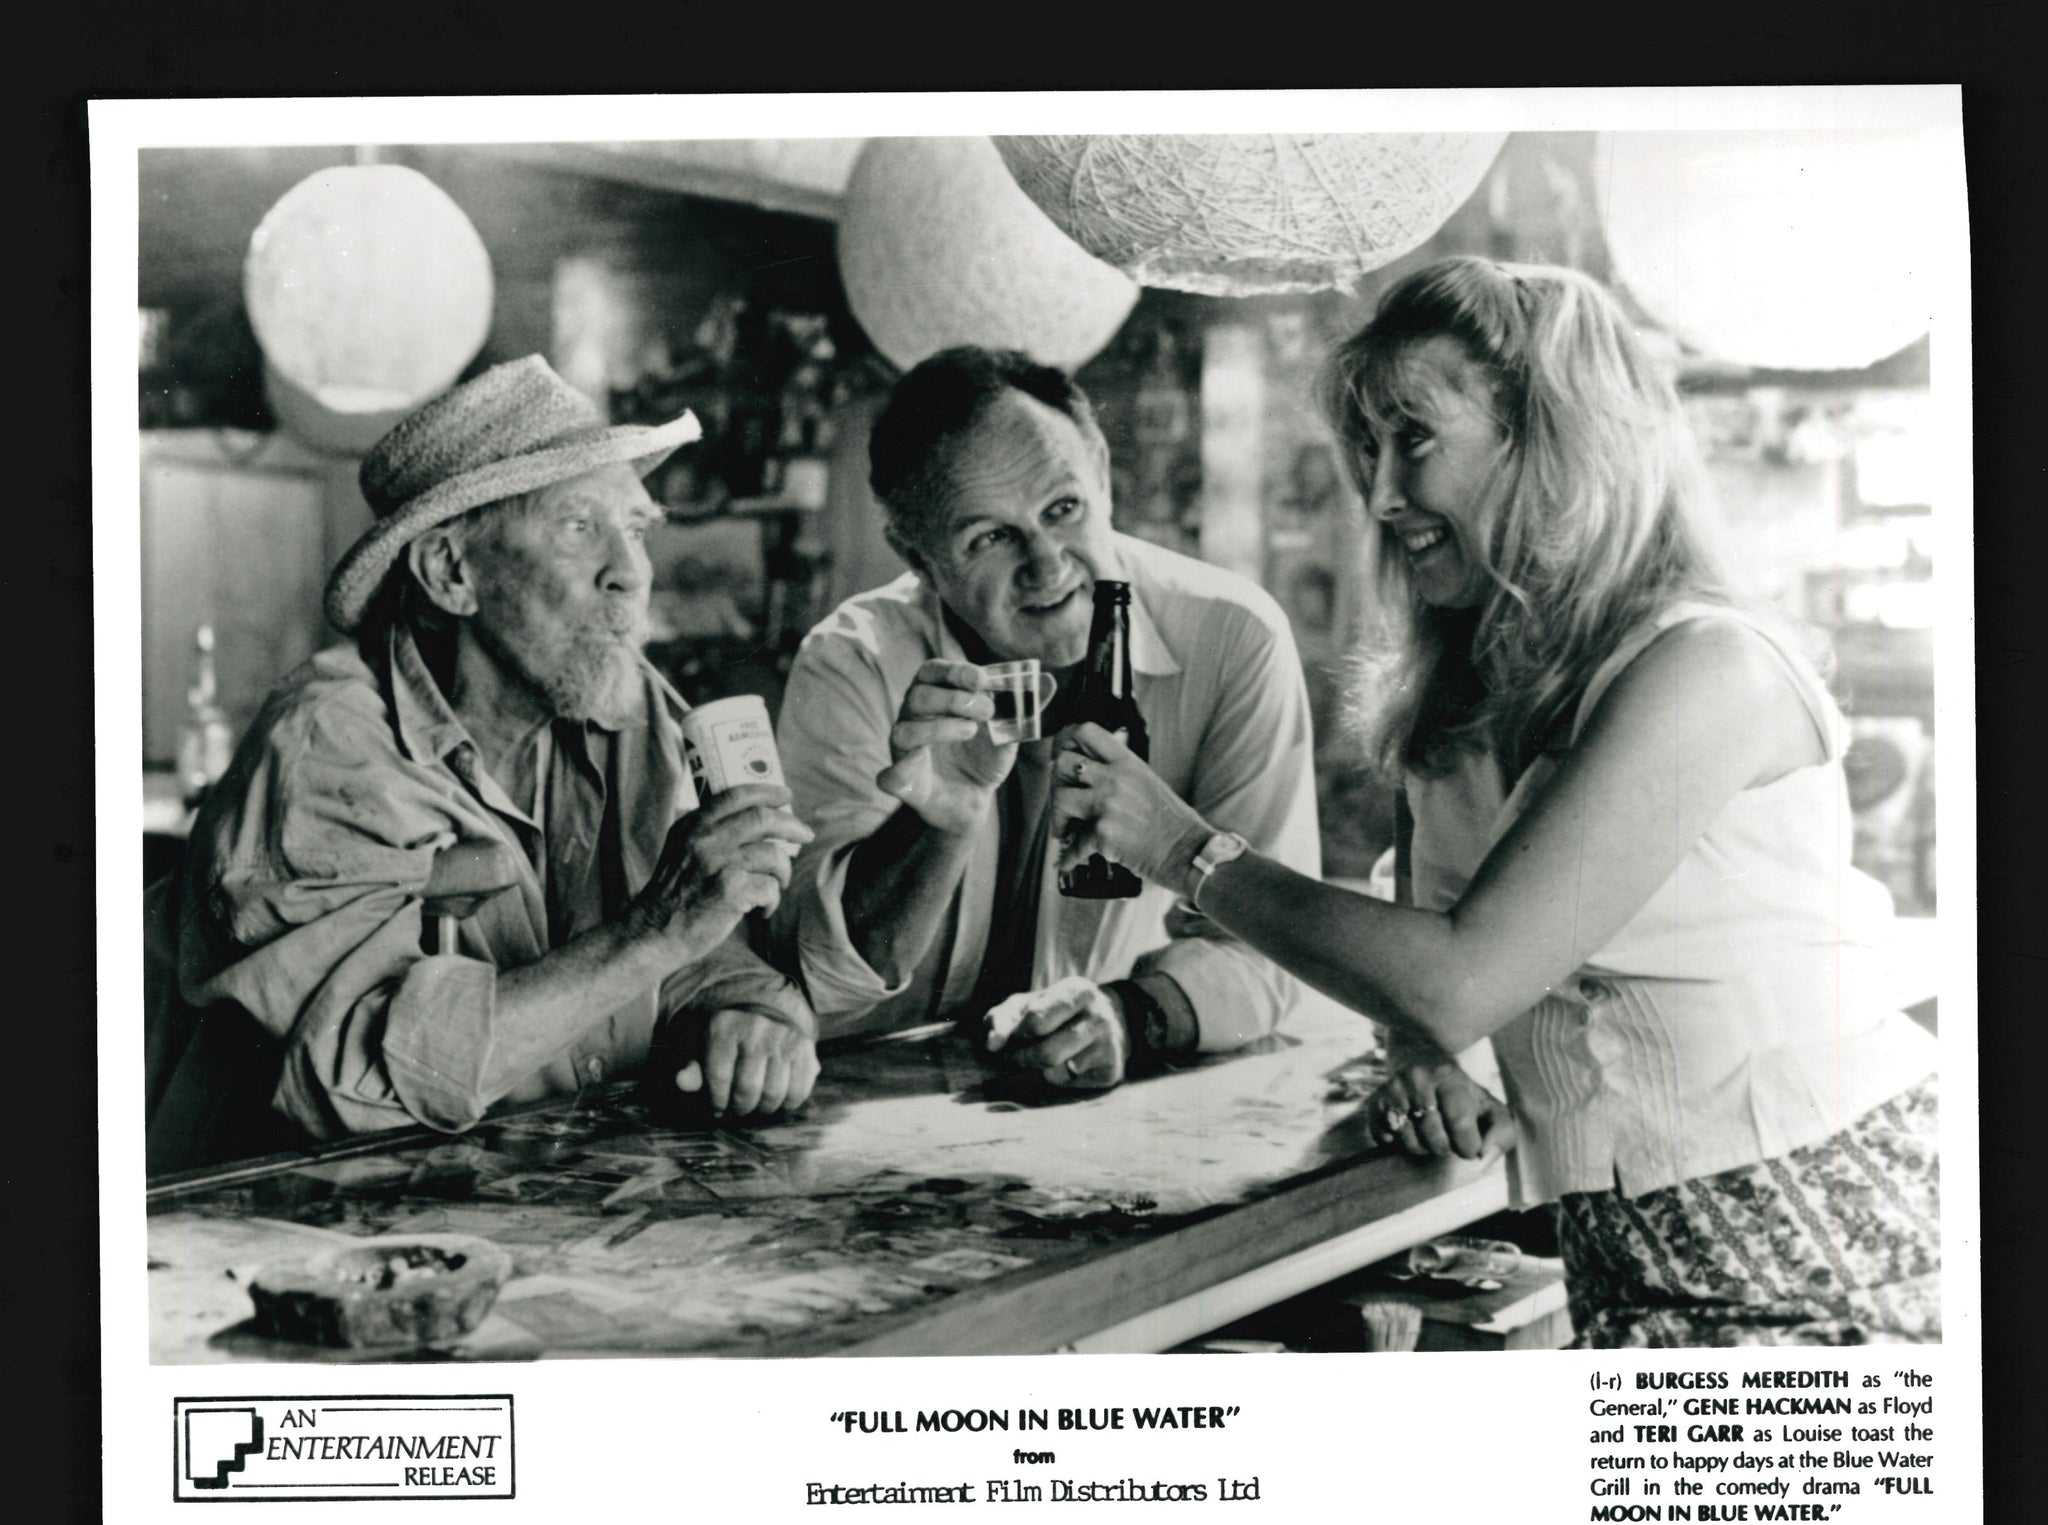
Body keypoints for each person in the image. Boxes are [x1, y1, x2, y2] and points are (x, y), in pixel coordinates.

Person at [1048, 259, 1941, 1346]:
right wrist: (1419, 1058)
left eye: (1413, 439)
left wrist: (1183, 846)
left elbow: (1461, 976)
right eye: (1367, 448)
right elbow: (1419, 968)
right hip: (1624, 1256)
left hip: (1825, 1235)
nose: (1381, 494)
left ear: (1552, 442)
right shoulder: (1467, 692)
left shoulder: (1708, 669)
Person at [146, 356, 818, 1173]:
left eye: (637, 529)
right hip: (276, 1212)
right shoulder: (328, 741)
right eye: (579, 527)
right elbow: (357, 1087)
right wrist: (654, 931)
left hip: (527, 1197)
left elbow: (697, 955)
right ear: (451, 573)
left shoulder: (625, 704)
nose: (633, 572)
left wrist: (746, 1015)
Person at [774, 346, 1320, 1087]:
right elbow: (816, 974)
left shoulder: (1233, 638)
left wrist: (1127, 1015)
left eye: (1063, 510)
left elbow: (1273, 947)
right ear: (918, 556)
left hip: (1099, 1103)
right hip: (875, 1099)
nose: (1048, 564)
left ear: (1101, 475)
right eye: (990, 537)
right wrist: (939, 826)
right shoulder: (853, 663)